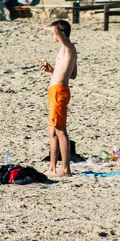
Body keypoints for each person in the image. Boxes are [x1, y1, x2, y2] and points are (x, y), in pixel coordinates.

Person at [39, 20, 78, 177]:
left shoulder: (70, 47)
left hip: (59, 92)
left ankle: (66, 169)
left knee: (60, 131)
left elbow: (57, 30)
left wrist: (47, 27)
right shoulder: (65, 51)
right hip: (54, 91)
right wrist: (53, 71)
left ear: (62, 33)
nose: (52, 35)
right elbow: (73, 74)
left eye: (53, 33)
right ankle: (52, 167)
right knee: (51, 130)